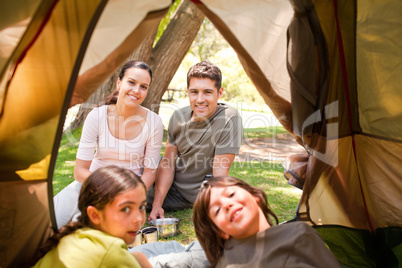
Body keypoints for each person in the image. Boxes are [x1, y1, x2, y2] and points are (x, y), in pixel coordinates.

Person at [54, 60, 164, 228]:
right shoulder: (96, 116)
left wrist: (130, 193)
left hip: (127, 195)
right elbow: (79, 171)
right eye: (132, 82)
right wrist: (106, 186)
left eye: (144, 86)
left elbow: (150, 172)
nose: (136, 90)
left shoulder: (154, 122)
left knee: (83, 231)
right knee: (46, 223)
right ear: (119, 83)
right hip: (91, 184)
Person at [147, 60, 243, 220]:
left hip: (193, 196)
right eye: (194, 92)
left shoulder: (228, 118)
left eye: (207, 92)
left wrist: (218, 207)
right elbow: (168, 163)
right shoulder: (178, 117)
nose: (199, 99)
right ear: (187, 92)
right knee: (127, 192)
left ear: (220, 93)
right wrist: (157, 205)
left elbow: (220, 172)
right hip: (168, 186)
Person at [193, 176, 342, 268]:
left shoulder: (297, 234)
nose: (226, 205)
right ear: (220, 231)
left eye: (231, 194)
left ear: (255, 195)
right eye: (217, 210)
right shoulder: (224, 261)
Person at [33, 165, 152, 267]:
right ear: (94, 215)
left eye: (141, 207)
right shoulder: (111, 251)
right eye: (125, 209)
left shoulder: (72, 238)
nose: (138, 218)